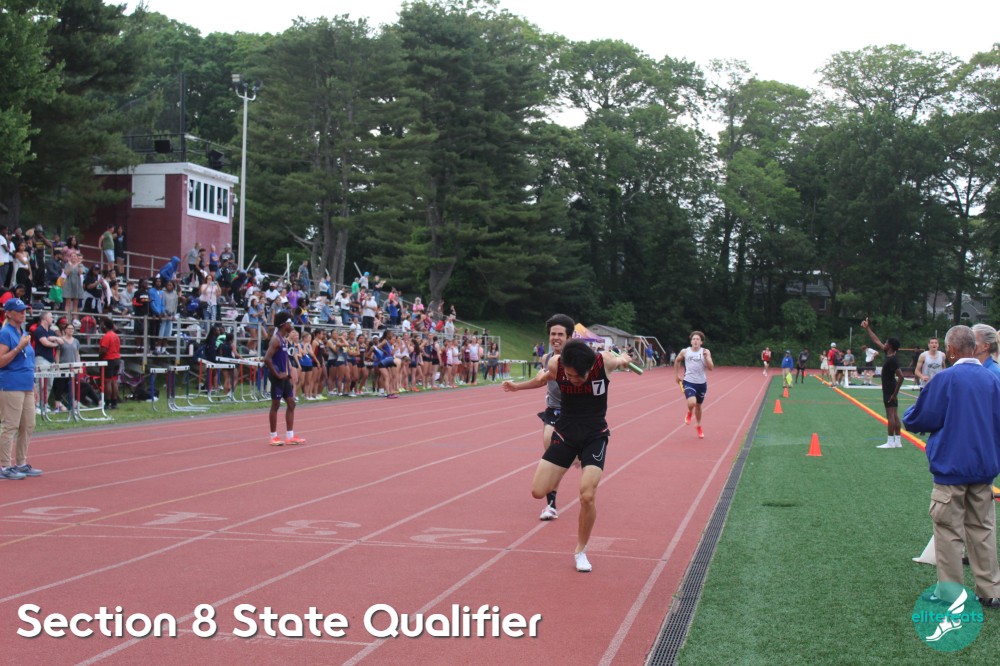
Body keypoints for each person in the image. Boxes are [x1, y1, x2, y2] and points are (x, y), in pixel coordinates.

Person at [502, 339, 633, 572]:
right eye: (569, 375)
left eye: (578, 376)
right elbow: (542, 380)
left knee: (587, 495)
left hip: (594, 436)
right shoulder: (556, 364)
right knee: (538, 491)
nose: (573, 379)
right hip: (565, 435)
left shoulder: (604, 362)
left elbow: (622, 359)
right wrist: (516, 387)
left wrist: (624, 357)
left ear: (589, 368)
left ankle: (580, 550)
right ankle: (572, 458)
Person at [902, 325, 1000, 608]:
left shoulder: (945, 379)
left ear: (952, 350)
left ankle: (951, 592)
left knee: (948, 531)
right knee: (983, 530)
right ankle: (991, 590)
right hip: (983, 469)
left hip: (951, 468)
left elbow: (918, 418)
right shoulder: (993, 380)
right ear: (975, 347)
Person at [0, 297, 42, 479]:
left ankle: (21, 463)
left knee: (28, 424)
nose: (23, 313)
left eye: (24, 310)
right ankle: (4, 466)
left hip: (25, 385)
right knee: (10, 425)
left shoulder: (22, 332)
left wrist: (33, 385)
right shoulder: (5, 333)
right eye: (19, 311)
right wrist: (18, 348)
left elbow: (27, 362)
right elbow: (1, 361)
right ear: (9, 314)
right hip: (11, 384)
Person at [861, 318, 906, 449]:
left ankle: (890, 442)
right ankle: (898, 441)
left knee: (890, 415)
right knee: (894, 414)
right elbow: (876, 340)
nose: (884, 344)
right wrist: (867, 328)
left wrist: (894, 394)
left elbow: (901, 376)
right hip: (891, 387)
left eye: (886, 343)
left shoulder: (892, 360)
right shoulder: (888, 353)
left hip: (890, 388)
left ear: (890, 346)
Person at [263, 311, 304, 446]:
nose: (292, 325)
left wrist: (289, 371)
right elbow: (267, 359)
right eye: (290, 323)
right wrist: (277, 374)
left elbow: (284, 358)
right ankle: (273, 436)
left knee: (291, 403)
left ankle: (290, 436)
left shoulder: (283, 339)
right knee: (275, 405)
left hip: (285, 376)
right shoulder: (276, 340)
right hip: (277, 377)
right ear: (284, 324)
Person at [674, 330, 714, 439]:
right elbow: (677, 361)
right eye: (694, 339)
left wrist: (707, 358)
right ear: (691, 341)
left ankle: (698, 425)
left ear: (701, 342)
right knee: (692, 402)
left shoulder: (705, 351)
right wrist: (676, 375)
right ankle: (689, 412)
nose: (695, 341)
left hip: (701, 383)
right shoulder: (685, 351)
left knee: (699, 406)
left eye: (697, 339)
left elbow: (711, 367)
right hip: (689, 381)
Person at [98, 317, 121, 409]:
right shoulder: (115, 335)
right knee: (114, 381)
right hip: (116, 359)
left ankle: (107, 402)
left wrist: (100, 356)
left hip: (109, 359)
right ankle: (114, 402)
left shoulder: (107, 336)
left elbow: (104, 349)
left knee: (107, 382)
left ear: (104, 326)